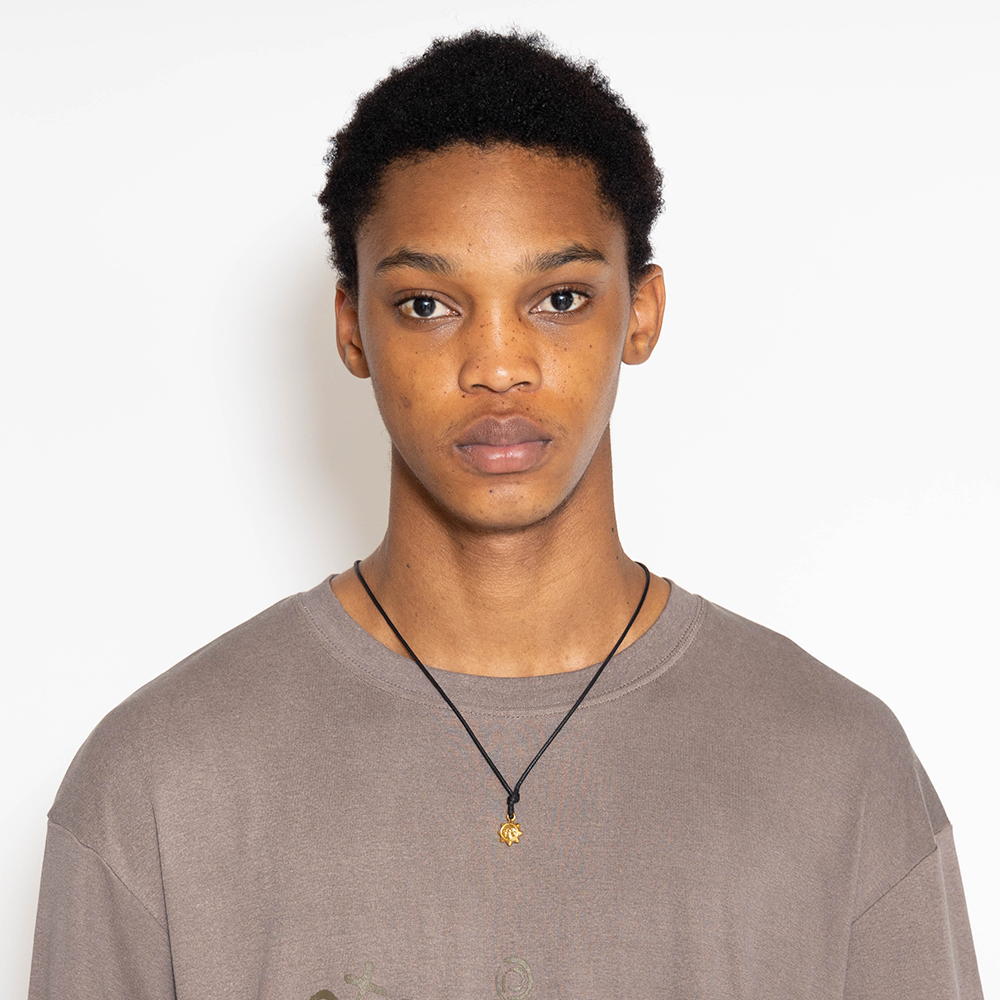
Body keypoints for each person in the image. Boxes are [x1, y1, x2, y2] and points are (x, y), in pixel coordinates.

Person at [28, 30, 982, 1000]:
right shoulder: (159, 785)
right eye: (427, 305)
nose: (497, 366)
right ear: (352, 327)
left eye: (559, 297)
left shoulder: (840, 772)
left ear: (641, 312)